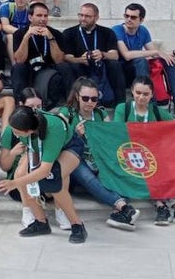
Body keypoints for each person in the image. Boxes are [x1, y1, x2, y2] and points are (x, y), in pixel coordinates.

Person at [56, 77, 140, 231]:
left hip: (98, 159)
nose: (90, 102)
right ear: (76, 96)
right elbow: (58, 142)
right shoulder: (66, 113)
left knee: (119, 176)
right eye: (86, 98)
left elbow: (110, 140)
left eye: (94, 98)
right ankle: (123, 207)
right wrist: (76, 136)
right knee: (85, 175)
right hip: (74, 159)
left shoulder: (100, 113)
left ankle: (117, 214)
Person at [0, 104, 87, 243]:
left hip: (68, 146)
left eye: (17, 131)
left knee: (52, 180)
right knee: (20, 174)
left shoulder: (53, 128)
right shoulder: (24, 128)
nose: (14, 133)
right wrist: (18, 179)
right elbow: (33, 148)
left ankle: (77, 225)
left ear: (28, 130)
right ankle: (41, 222)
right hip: (38, 147)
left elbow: (45, 171)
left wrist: (13, 184)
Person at [113, 77, 175, 227]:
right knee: (149, 171)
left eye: (145, 94)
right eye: (138, 93)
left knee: (166, 166)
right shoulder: (122, 109)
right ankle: (160, 205)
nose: (141, 97)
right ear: (132, 91)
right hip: (130, 155)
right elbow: (117, 133)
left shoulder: (156, 111)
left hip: (153, 155)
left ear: (151, 95)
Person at [114, 3, 175, 120]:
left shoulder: (142, 31)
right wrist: (156, 52)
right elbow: (127, 55)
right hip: (124, 73)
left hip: (140, 70)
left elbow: (155, 53)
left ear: (141, 20)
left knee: (168, 61)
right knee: (141, 61)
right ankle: (151, 106)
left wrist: (173, 53)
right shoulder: (117, 30)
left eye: (133, 17)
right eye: (126, 16)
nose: (128, 19)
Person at [59, 2, 124, 104]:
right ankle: (74, 103)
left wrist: (102, 54)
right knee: (71, 66)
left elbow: (115, 55)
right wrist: (81, 59)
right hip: (81, 66)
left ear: (96, 17)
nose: (83, 18)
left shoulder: (107, 32)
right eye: (81, 15)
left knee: (114, 64)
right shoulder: (69, 33)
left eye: (87, 16)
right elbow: (66, 57)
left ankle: (120, 103)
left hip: (101, 66)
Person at [10, 2, 67, 108]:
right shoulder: (20, 34)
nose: (43, 19)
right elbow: (19, 60)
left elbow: (59, 60)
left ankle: (54, 104)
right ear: (30, 17)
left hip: (47, 69)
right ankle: (20, 104)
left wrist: (51, 39)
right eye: (39, 15)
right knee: (18, 68)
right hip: (28, 69)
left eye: (45, 16)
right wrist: (26, 37)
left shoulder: (55, 34)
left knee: (63, 68)